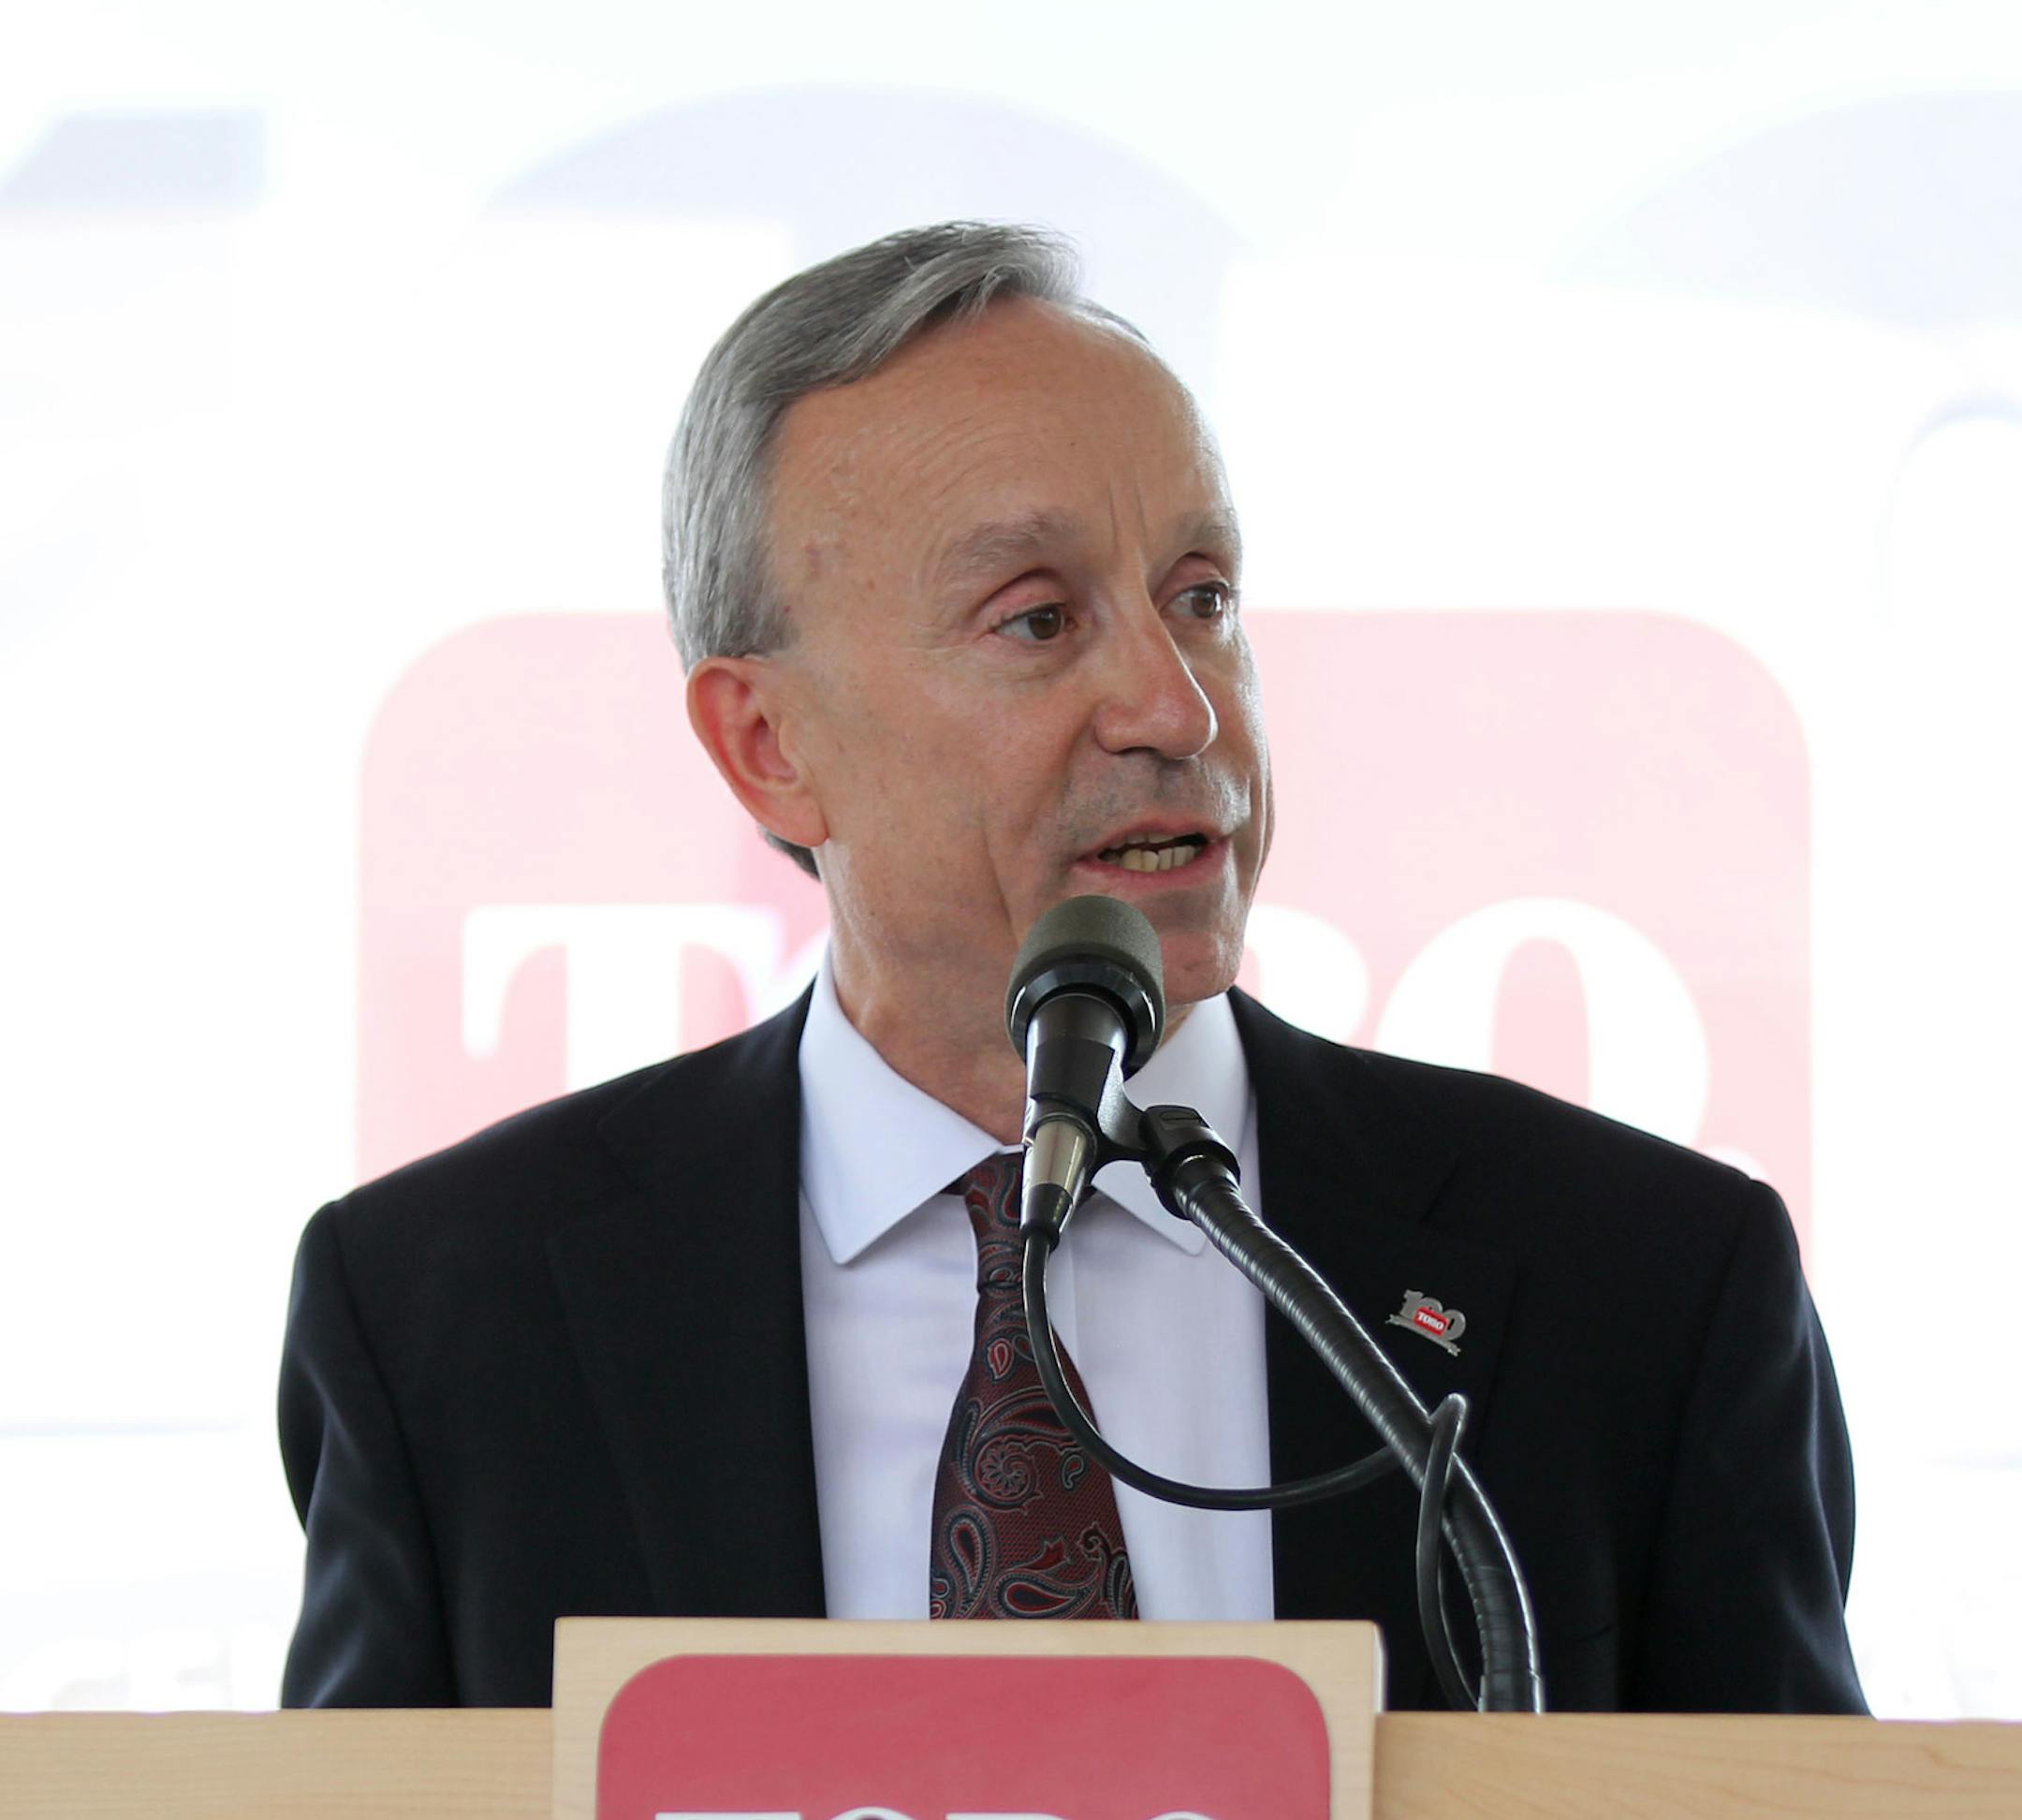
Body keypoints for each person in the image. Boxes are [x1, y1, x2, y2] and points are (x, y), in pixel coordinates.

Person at [278, 221, 1865, 1714]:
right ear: (767, 747)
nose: (1176, 706)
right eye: (1038, 620)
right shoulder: (445, 1323)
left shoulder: (1646, 1287)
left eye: (1203, 597)